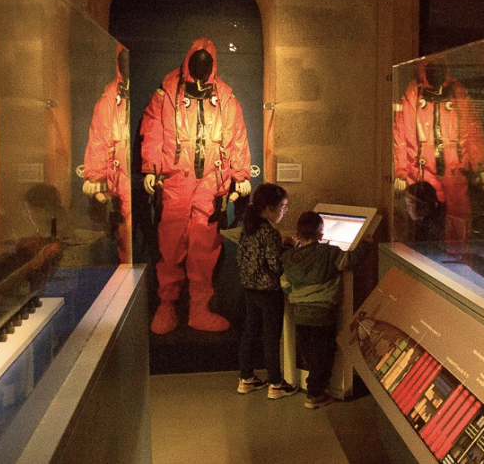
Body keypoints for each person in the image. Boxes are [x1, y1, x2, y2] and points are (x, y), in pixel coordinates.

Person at [140, 37, 252, 334]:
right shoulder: (166, 94)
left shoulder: (225, 98)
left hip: (210, 183)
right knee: (171, 244)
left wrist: (240, 176)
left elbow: (236, 135)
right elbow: (152, 132)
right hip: (175, 180)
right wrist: (151, 169)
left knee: (204, 248)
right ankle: (167, 306)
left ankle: (199, 309)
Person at [393, 58, 484, 242]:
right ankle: (423, 262)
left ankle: (457, 262)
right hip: (421, 172)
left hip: (454, 170)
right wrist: (401, 172)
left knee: (459, 218)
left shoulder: (457, 93)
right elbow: (401, 134)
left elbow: (472, 130)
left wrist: (480, 165)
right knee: (423, 224)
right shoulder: (413, 94)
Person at [280, 211, 360, 409]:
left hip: (300, 314)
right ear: (321, 235)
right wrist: (366, 244)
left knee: (309, 353)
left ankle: (313, 389)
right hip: (323, 314)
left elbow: (285, 283)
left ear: (298, 236)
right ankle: (315, 395)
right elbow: (350, 260)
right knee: (323, 354)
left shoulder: (290, 257)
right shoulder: (330, 252)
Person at [236, 183, 298, 399]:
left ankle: (246, 379)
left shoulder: (248, 228)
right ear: (269, 209)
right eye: (283, 206)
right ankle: (275, 384)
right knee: (272, 338)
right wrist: (289, 248)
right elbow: (276, 265)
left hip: (249, 288)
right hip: (269, 292)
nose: (285, 211)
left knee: (250, 332)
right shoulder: (270, 232)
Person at [81, 44, 131, 263]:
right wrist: (95, 176)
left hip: (140, 177)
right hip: (119, 180)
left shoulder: (158, 98)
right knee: (124, 238)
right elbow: (99, 138)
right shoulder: (109, 101)